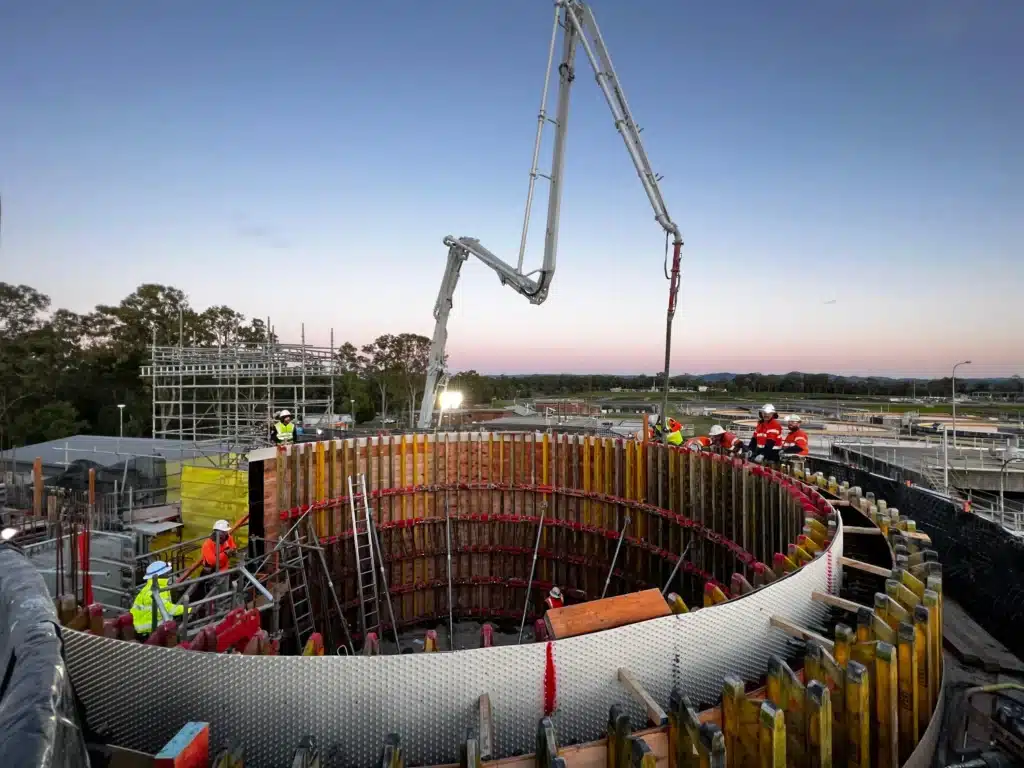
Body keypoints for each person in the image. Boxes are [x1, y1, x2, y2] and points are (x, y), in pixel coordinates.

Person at [130, 560, 184, 636]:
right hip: (149, 631)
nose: (168, 574)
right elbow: (168, 609)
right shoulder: (156, 590)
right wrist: (188, 609)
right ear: (160, 575)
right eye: (166, 572)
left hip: (146, 628)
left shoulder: (150, 588)